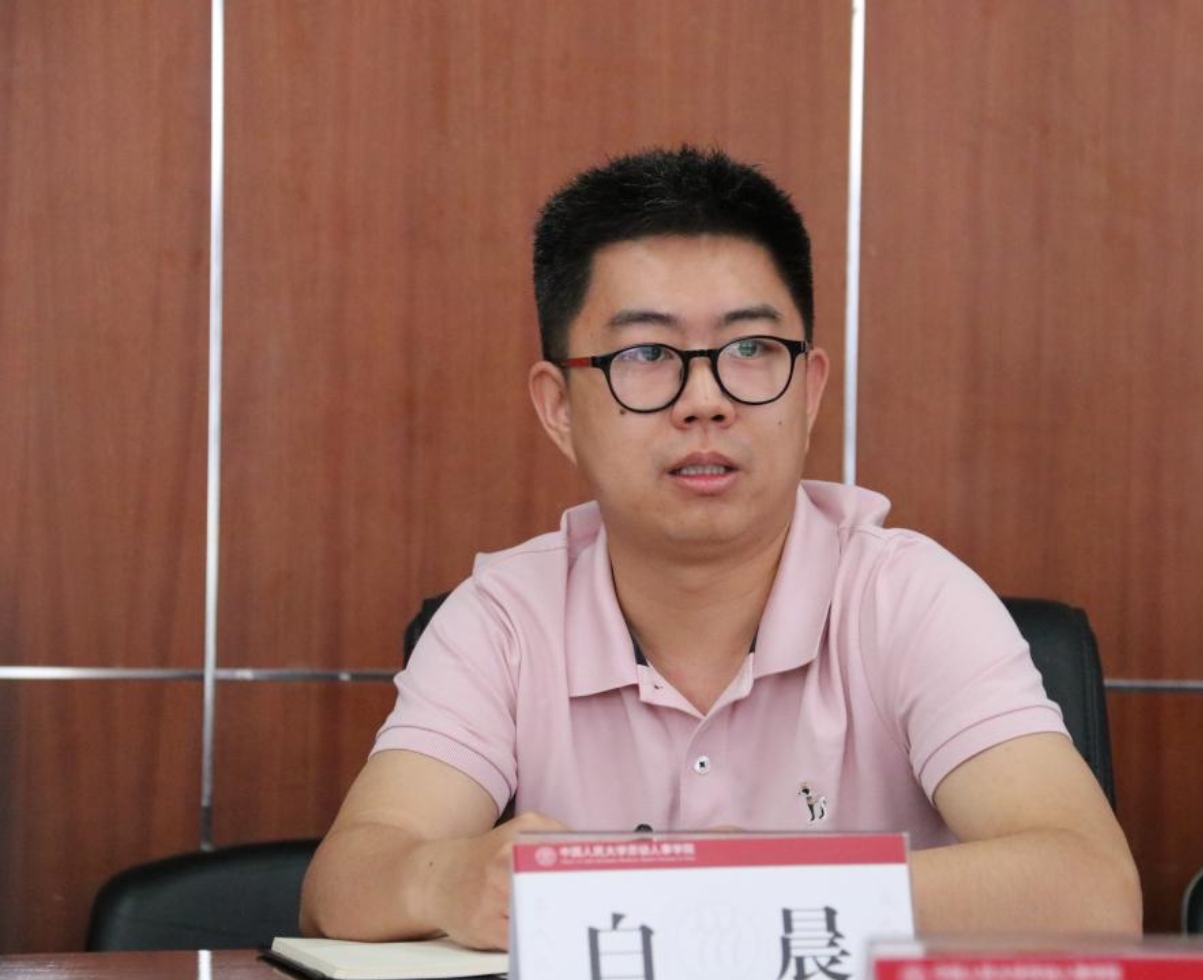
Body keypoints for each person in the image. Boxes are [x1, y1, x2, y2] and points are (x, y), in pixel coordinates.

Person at [300, 147, 1142, 949]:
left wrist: (752, 888)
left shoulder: (906, 597)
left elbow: (1090, 890)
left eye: (749, 349)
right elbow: (342, 884)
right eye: (645, 354)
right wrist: (447, 881)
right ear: (558, 407)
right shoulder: (504, 619)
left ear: (808, 390)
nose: (703, 400)